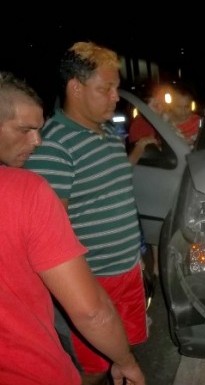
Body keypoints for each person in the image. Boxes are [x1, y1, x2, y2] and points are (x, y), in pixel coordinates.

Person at [0, 71, 145, 385]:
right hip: (42, 355)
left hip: (123, 273)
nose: (37, 142)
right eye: (25, 130)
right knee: (94, 363)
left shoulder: (108, 135)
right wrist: (126, 362)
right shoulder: (26, 186)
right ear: (76, 88)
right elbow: (90, 311)